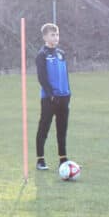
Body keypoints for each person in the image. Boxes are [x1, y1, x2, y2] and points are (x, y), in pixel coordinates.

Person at [34, 23, 72, 171]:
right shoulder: (42, 55)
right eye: (52, 35)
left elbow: (65, 75)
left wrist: (68, 92)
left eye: (56, 34)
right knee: (44, 127)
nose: (55, 37)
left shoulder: (61, 53)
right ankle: (40, 159)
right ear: (45, 37)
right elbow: (42, 78)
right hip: (49, 98)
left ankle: (63, 158)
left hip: (64, 97)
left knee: (62, 129)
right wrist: (50, 94)